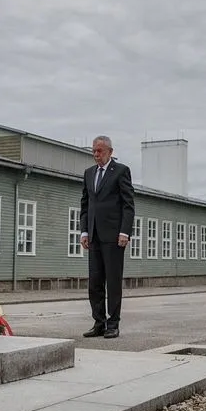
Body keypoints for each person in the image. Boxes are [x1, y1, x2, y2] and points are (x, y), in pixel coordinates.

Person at [79, 135, 135, 338]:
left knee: (112, 282)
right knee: (94, 282)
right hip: (93, 236)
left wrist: (125, 232)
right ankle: (99, 322)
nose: (96, 154)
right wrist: (84, 231)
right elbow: (85, 204)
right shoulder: (88, 173)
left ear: (110, 152)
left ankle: (113, 323)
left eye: (100, 151)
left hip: (114, 237)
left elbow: (128, 204)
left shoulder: (121, 171)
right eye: (94, 151)